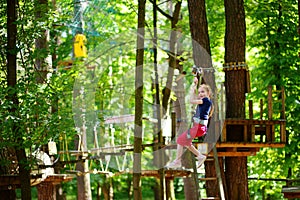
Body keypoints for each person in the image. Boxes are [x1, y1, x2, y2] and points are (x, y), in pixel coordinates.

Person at [165, 77, 213, 168]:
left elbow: (191, 100)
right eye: (199, 92)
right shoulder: (203, 102)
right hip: (198, 128)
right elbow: (194, 98)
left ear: (208, 93)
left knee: (180, 140)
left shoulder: (206, 101)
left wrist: (192, 89)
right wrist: (194, 86)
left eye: (203, 92)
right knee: (186, 143)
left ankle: (177, 161)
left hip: (199, 128)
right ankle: (200, 155)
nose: (200, 94)